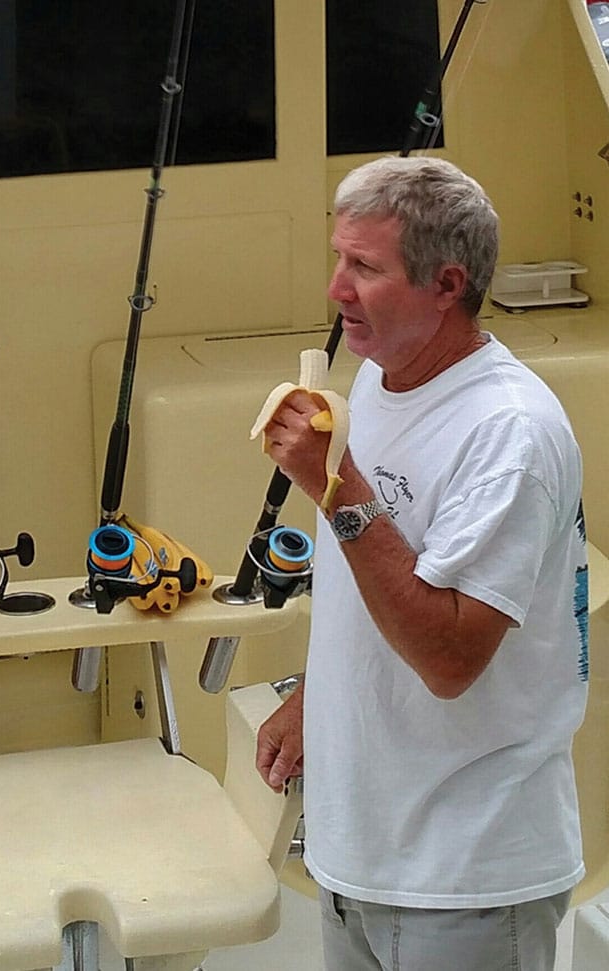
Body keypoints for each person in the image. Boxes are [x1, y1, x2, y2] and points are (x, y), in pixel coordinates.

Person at [254, 156, 588, 970]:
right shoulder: (376, 379)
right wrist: (315, 695)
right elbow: (364, 581)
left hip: (467, 881)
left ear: (446, 284)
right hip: (361, 858)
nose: (336, 288)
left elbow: (448, 655)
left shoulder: (508, 434)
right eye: (338, 258)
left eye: (365, 267)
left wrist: (336, 490)